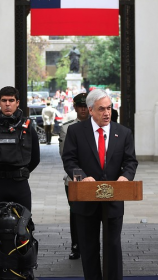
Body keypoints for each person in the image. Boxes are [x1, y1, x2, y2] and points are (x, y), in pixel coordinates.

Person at [62, 89, 138, 280]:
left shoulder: (123, 132)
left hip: (114, 196)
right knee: (88, 247)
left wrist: (125, 177)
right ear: (90, 110)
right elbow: (69, 160)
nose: (107, 113)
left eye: (109, 108)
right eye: (101, 109)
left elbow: (130, 161)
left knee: (113, 245)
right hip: (86, 198)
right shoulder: (76, 131)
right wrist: (81, 177)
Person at [0, 86, 40, 214]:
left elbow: (35, 157)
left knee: (25, 227)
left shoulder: (28, 128)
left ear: (17, 103)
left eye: (11, 100)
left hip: (19, 183)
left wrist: (22, 171)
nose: (7, 104)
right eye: (4, 100)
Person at [59, 93, 89, 260]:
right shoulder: (67, 128)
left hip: (95, 177)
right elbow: (66, 156)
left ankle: (91, 244)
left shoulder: (98, 125)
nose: (83, 109)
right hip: (75, 177)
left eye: (86, 106)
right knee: (76, 213)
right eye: (80, 106)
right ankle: (76, 244)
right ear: (75, 107)